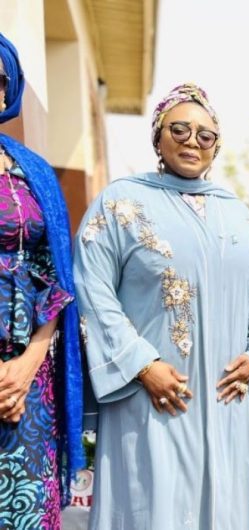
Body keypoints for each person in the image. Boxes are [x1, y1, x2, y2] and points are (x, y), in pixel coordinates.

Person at [73, 83, 249, 529]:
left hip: (226, 399)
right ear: (158, 138)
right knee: (154, 506)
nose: (192, 141)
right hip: (151, 400)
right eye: (180, 129)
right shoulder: (120, 203)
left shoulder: (238, 212)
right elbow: (91, 288)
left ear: (216, 146)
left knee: (222, 506)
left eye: (205, 135)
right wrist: (142, 365)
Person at [0, 34, 84, 529]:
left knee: (28, 512)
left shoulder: (31, 172)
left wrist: (29, 364)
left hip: (25, 382)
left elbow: (55, 277)